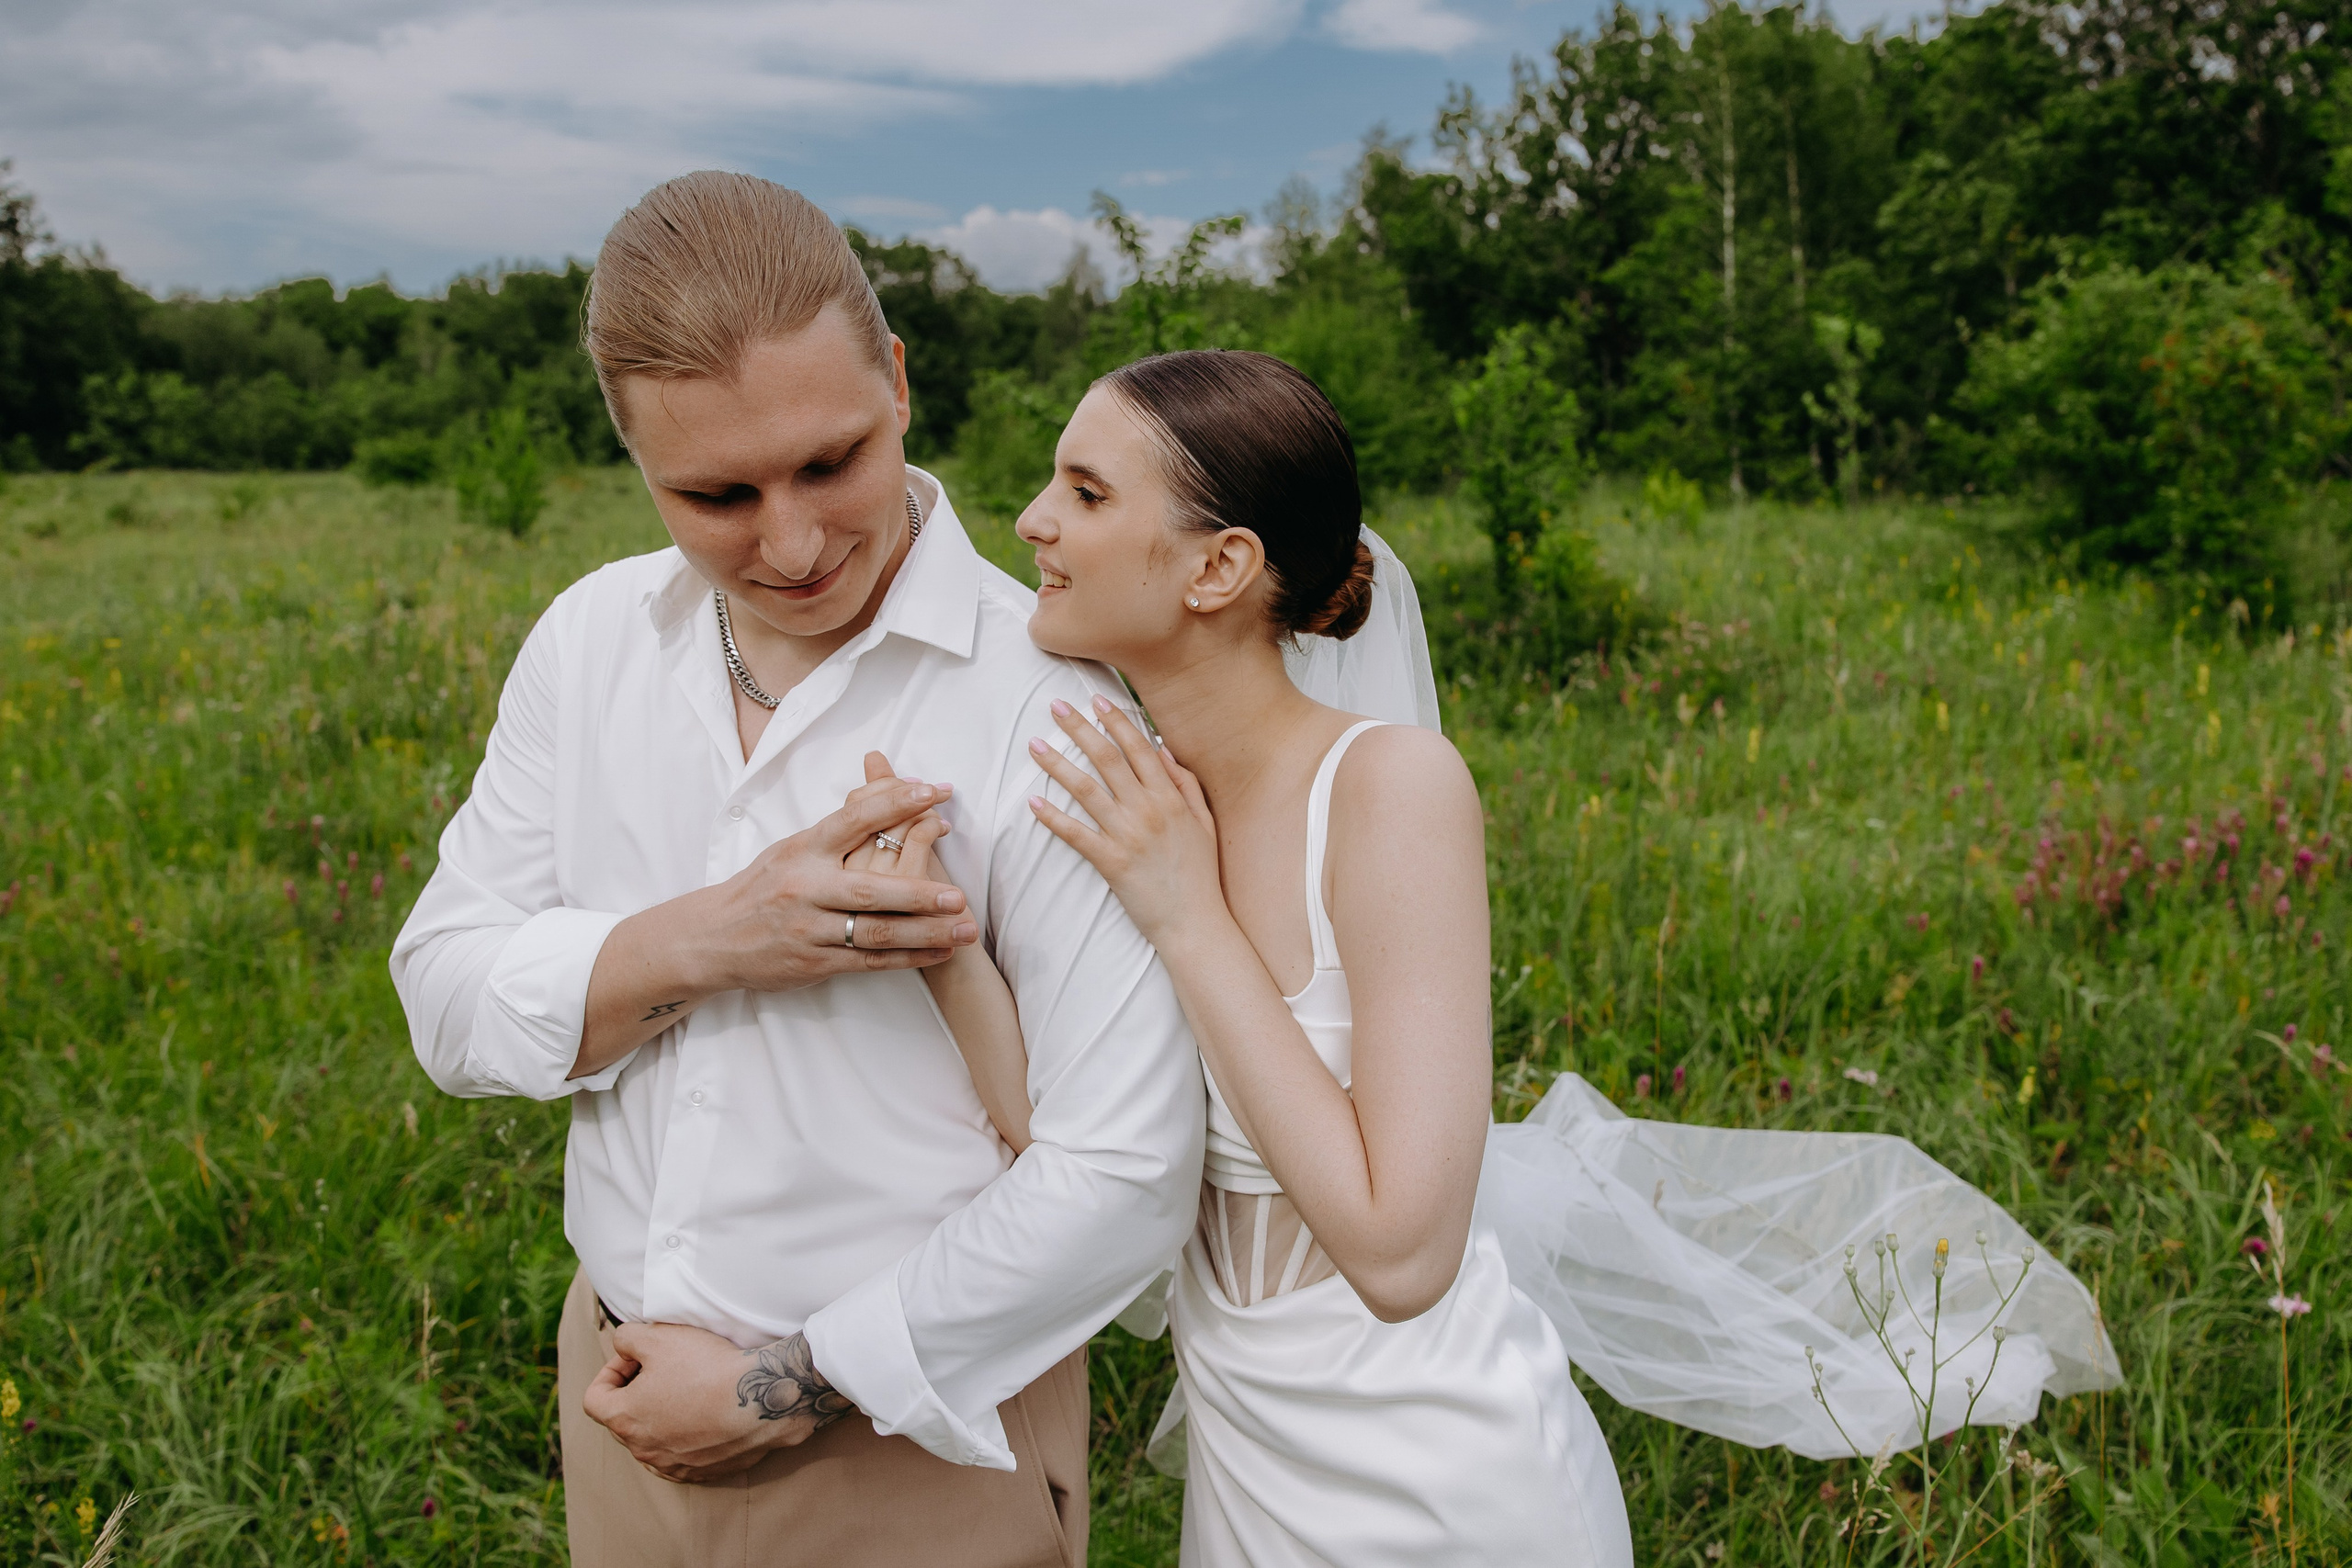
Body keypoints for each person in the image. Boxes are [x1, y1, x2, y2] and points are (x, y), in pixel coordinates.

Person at [388, 171, 1205, 1568]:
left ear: (895, 381)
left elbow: (1128, 1174)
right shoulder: (590, 646)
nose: (793, 543)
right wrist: (712, 938)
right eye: (714, 493)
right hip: (622, 1404)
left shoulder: (1051, 700)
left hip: (925, 1445)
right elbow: (445, 1004)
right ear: (630, 455)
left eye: (830, 462)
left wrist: (790, 1391)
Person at [853, 349, 1637, 1567]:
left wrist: (1186, 913)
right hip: (1251, 1472)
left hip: (1445, 1482)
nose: (1033, 520)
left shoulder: (1389, 787)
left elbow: (1403, 1253)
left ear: (1221, 567)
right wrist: (945, 948)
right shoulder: (1135, 797)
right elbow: (1071, 1136)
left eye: (1090, 493)